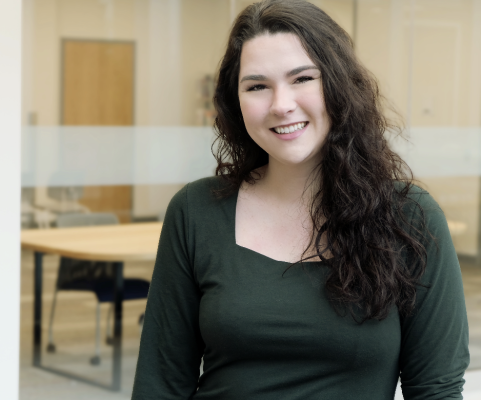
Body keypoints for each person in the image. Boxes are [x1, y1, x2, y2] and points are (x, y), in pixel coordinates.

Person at [131, 0, 469, 399]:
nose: (281, 104)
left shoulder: (409, 217)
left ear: (339, 84)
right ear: (235, 103)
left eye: (303, 78)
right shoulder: (196, 211)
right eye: (257, 86)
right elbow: (160, 385)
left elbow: (436, 389)